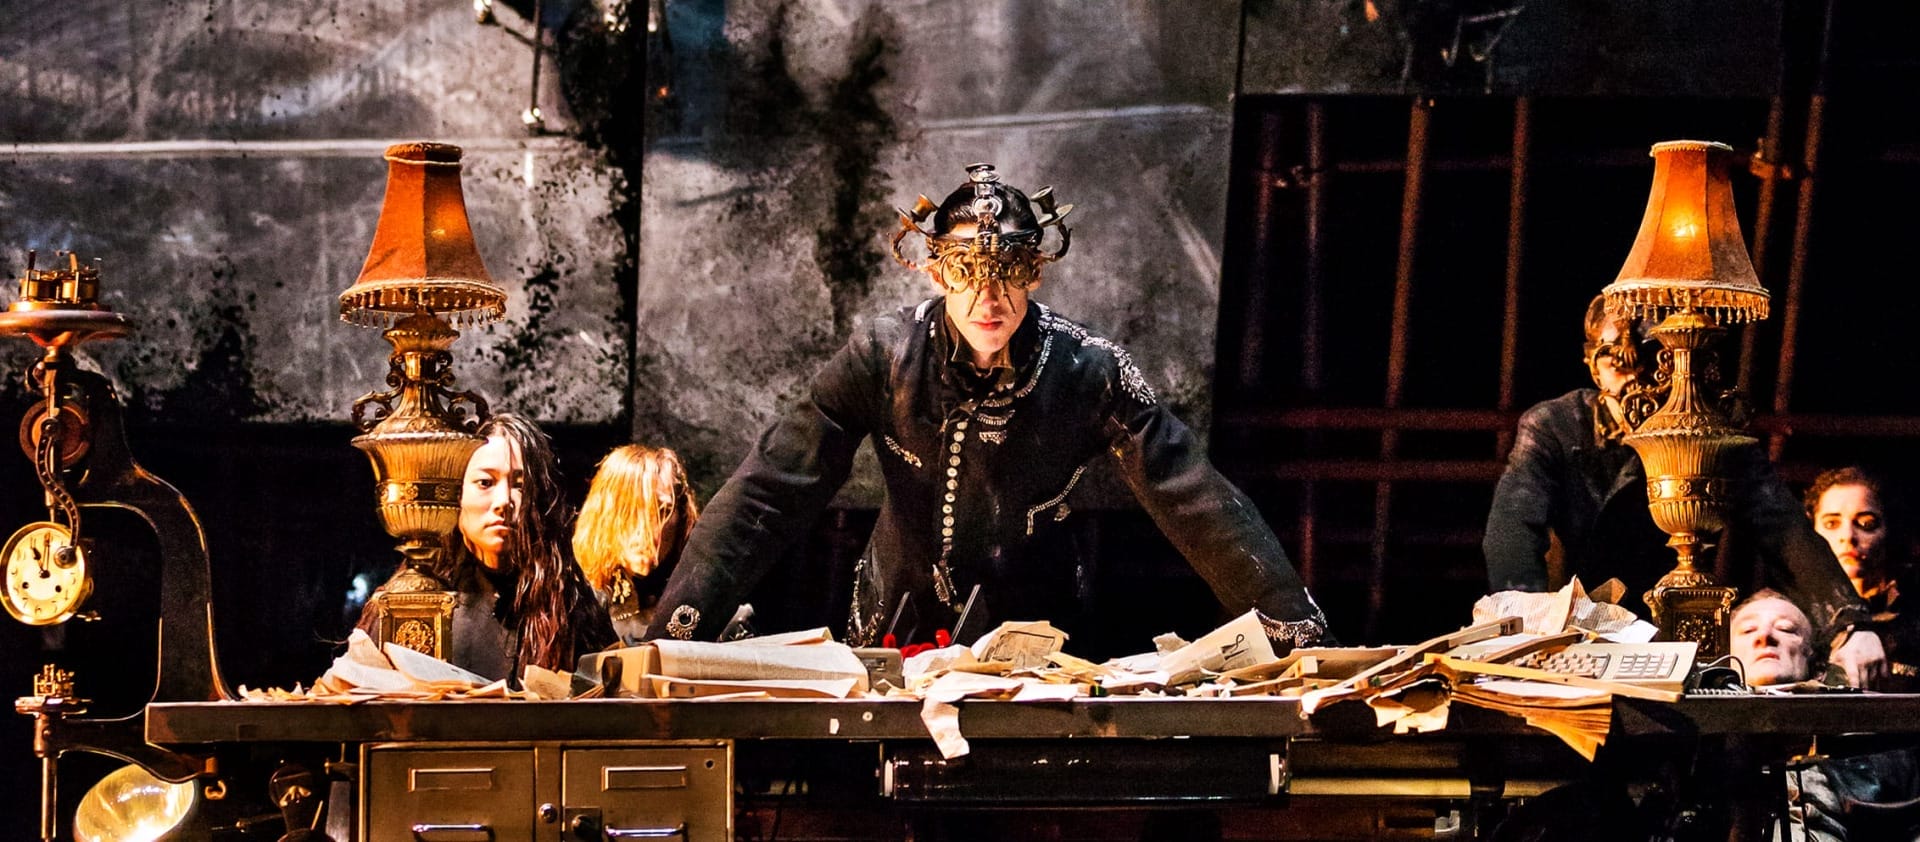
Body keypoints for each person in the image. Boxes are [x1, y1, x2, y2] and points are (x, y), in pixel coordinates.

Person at [641, 162, 1330, 650]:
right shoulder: (882, 354)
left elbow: (1194, 496)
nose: (987, 299)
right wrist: (677, 627)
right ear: (936, 271)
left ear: (1036, 272)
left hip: (1036, 633)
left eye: (1008, 274)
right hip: (894, 621)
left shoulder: (1090, 370)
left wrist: (1292, 627)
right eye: (967, 273)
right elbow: (771, 487)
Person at [1484, 295, 1886, 686]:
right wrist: (1526, 622)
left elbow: (1781, 526)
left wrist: (1850, 624)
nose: (1635, 377)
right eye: (1615, 360)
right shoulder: (1557, 427)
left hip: (1675, 635)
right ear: (1593, 367)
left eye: (1648, 357)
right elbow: (1514, 525)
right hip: (1576, 634)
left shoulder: (1708, 428)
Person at [357, 413, 616, 679]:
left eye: (520, 485)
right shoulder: (406, 605)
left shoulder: (572, 603)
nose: (504, 500)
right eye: (485, 483)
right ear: (456, 493)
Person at [1728, 591, 1920, 842]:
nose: (1765, 636)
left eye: (1786, 629)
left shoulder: (1870, 745)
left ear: (1817, 666)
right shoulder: (1704, 749)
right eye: (1747, 630)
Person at [572, 444, 701, 644]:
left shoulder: (693, 596)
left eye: (662, 510)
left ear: (681, 516)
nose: (646, 526)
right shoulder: (571, 594)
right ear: (605, 513)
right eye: (633, 508)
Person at [1806, 466, 1917, 682]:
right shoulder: (1800, 614)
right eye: (1831, 523)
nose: (1848, 536)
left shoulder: (1913, 612)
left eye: (1866, 524)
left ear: (1889, 529)